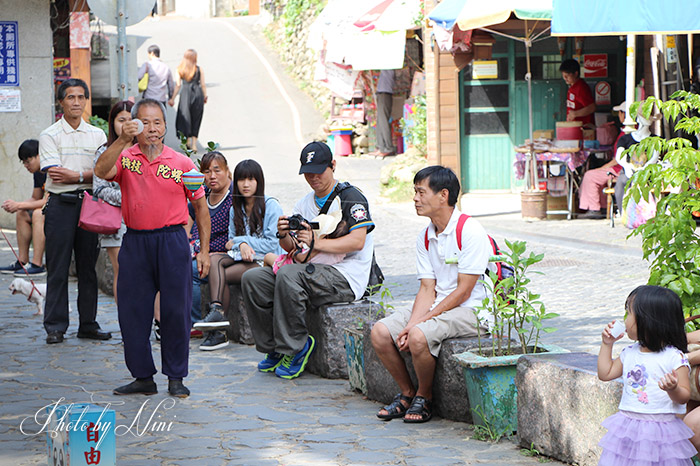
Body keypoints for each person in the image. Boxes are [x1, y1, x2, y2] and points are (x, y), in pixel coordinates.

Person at [94, 98, 211, 398]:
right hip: (135, 241)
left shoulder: (182, 163)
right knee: (132, 312)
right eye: (144, 122)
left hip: (172, 241)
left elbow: (200, 207)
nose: (152, 128)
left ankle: (176, 376)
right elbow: (100, 171)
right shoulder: (125, 157)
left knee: (175, 311)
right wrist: (122, 139)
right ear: (134, 125)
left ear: (165, 126)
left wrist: (205, 251)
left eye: (157, 122)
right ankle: (143, 376)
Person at [241, 141, 374, 379]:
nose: (313, 177)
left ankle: (296, 347)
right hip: (310, 270)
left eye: (319, 171)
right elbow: (294, 249)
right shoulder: (304, 204)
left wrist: (315, 242)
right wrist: (283, 234)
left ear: (333, 165)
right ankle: (274, 347)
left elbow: (357, 242)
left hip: (345, 276)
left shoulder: (351, 198)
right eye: (308, 172)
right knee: (253, 278)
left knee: (289, 274)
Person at [371, 166, 492, 423]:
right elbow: (427, 288)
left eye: (420, 192)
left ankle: (424, 398)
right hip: (439, 303)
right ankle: (406, 394)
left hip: (472, 310)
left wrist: (418, 324)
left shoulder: (469, 230)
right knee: (380, 332)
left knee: (417, 335)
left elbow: (464, 291)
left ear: (443, 195)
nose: (415, 198)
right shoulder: (426, 236)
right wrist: (413, 321)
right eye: (415, 192)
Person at [39, 78, 111, 345]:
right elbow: (56, 176)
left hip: (90, 205)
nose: (77, 102)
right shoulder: (49, 135)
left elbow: (103, 173)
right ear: (61, 102)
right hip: (60, 205)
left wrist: (78, 174)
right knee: (57, 267)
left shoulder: (98, 135)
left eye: (81, 97)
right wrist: (87, 175)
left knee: (88, 268)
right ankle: (55, 326)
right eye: (71, 97)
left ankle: (88, 324)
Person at [597, 285, 695, 464]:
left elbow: (684, 397)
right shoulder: (630, 352)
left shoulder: (674, 358)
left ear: (648, 321)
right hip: (628, 428)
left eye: (629, 313)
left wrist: (672, 389)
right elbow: (606, 373)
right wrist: (606, 344)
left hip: (662, 433)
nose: (625, 320)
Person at [195, 159, 283, 351]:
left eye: (251, 179)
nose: (245, 184)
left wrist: (243, 241)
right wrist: (240, 244)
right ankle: (217, 312)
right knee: (215, 259)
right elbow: (230, 241)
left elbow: (273, 244)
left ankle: (219, 330)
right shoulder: (237, 208)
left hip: (267, 263)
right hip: (245, 259)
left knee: (219, 275)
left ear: (259, 181)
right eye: (242, 179)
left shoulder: (270, 206)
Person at [185, 151, 234, 347]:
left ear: (227, 171)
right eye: (206, 171)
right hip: (198, 252)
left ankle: (195, 324)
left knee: (192, 271)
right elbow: (187, 225)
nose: (212, 176)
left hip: (223, 255)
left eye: (217, 170)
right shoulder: (201, 197)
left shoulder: (234, 199)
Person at [93, 100, 134, 301]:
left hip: (144, 219)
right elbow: (98, 188)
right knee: (123, 271)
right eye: (121, 120)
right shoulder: (104, 151)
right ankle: (126, 320)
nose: (126, 125)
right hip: (115, 220)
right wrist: (127, 198)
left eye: (131, 120)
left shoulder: (145, 149)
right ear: (112, 123)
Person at [0, 139, 47, 277]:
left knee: (38, 214)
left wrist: (19, 204)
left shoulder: (50, 169)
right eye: (23, 162)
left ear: (39, 155)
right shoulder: (37, 173)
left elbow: (46, 200)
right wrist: (16, 205)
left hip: (61, 209)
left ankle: (37, 264)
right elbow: (36, 197)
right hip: (46, 207)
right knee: (22, 212)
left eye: (28, 160)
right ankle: (22, 261)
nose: (26, 165)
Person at [578, 101, 626, 219]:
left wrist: (603, 168)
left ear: (623, 114)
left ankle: (594, 209)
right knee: (596, 174)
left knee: (590, 175)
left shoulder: (626, 134)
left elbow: (617, 159)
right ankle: (603, 207)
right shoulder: (628, 132)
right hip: (620, 168)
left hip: (619, 170)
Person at [614, 112, 658, 214]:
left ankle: (651, 214)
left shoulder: (655, 139)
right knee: (622, 182)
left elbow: (655, 157)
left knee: (653, 184)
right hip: (629, 170)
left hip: (648, 172)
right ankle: (624, 213)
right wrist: (627, 166)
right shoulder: (625, 139)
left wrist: (645, 169)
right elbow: (619, 156)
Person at [169, 49, 207, 151]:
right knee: (196, 117)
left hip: (185, 94)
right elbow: (203, 84)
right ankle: (194, 144)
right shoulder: (199, 69)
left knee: (185, 117)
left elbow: (178, 85)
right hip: (198, 93)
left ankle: (187, 141)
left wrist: (172, 98)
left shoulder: (180, 70)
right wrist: (205, 96)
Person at [560, 59, 595, 126]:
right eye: (563, 75)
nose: (565, 78)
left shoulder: (581, 88)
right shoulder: (572, 87)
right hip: (574, 126)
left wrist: (575, 114)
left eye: (567, 75)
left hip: (584, 128)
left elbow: (592, 107)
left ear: (576, 74)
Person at [369, 70, 395, 157]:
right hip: (382, 93)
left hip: (385, 93)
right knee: (380, 121)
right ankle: (381, 147)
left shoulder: (389, 66)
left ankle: (387, 147)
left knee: (383, 121)